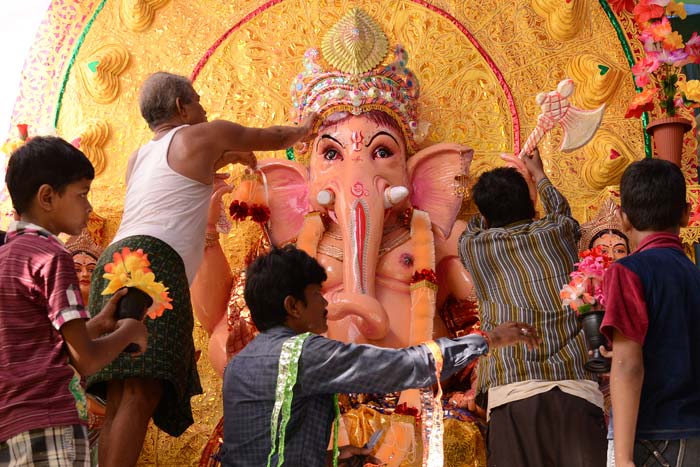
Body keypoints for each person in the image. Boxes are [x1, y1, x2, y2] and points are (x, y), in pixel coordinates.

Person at [86, 71, 318, 467]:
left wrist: (226, 160)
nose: (203, 107)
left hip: (112, 264)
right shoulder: (205, 134)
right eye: (196, 100)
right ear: (181, 106)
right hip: (153, 266)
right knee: (142, 394)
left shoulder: (138, 157)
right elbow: (274, 137)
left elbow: (175, 184)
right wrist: (307, 127)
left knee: (123, 392)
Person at [222, 245, 541, 467]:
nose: (325, 304)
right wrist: (488, 339)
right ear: (293, 306)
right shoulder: (303, 354)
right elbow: (406, 366)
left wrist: (331, 459)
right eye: (317, 294)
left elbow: (264, 449)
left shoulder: (239, 364)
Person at [0, 136, 147, 466]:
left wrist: (99, 324)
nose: (89, 207)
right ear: (48, 197)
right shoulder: (52, 255)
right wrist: (128, 331)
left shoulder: (6, 257)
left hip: (10, 426)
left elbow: (42, 345)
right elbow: (86, 360)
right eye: (82, 194)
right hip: (51, 419)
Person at [458, 147, 606, 467]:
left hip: (513, 397)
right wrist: (537, 175)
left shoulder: (475, 247)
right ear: (530, 203)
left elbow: (471, 227)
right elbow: (561, 211)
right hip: (576, 391)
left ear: (485, 216)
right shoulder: (558, 232)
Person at [601, 159, 700, 467]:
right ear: (685, 214)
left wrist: (624, 458)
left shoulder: (628, 272)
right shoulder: (694, 274)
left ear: (623, 218)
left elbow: (628, 365)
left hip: (654, 436)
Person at [579, 197, 631, 467]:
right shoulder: (579, 293)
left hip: (631, 380)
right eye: (602, 250)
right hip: (590, 384)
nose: (611, 256)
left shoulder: (638, 286)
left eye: (620, 250)